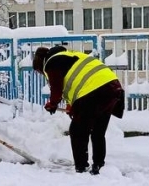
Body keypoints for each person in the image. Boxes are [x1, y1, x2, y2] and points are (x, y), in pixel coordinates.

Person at [33, 45, 124, 174]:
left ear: (40, 64)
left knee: (77, 131)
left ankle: (81, 167)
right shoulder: (70, 56)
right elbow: (76, 83)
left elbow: (57, 88)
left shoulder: (51, 63)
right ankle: (99, 165)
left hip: (94, 91)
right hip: (112, 87)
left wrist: (52, 104)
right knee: (98, 131)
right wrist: (73, 106)